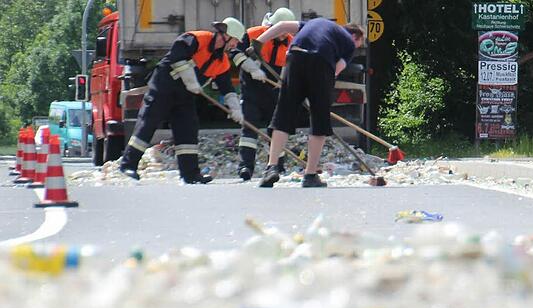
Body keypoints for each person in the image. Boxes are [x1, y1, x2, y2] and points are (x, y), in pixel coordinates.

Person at [119, 17, 245, 183]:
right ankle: (128, 164)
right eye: (235, 40)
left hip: (185, 95)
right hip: (164, 86)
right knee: (148, 123)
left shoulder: (222, 62)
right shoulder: (196, 39)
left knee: (188, 129)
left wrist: (235, 109)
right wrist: (191, 80)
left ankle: (190, 174)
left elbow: (227, 87)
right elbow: (177, 56)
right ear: (225, 35)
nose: (235, 45)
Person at [247, 18, 365, 188]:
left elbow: (281, 26)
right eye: (359, 43)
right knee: (319, 120)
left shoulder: (314, 23)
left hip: (294, 56)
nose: (357, 46)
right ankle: (310, 175)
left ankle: (271, 168)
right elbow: (336, 70)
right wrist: (317, 92)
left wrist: (259, 42)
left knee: (283, 114)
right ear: (355, 36)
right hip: (322, 61)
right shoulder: (349, 43)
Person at [230, 7, 296, 181]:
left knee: (276, 128)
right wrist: (251, 68)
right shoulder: (253, 34)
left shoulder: (292, 42)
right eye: (281, 32)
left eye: (286, 32)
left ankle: (276, 167)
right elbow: (235, 54)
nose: (283, 36)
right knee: (249, 128)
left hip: (275, 91)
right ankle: (245, 167)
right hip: (252, 88)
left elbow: (292, 67)